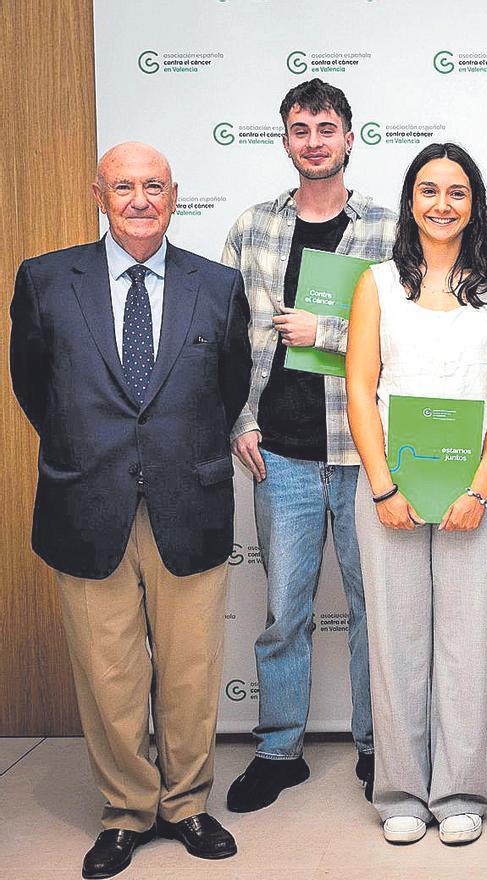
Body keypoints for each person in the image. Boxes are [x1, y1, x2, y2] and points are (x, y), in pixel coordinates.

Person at [9, 142, 251, 878]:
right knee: (108, 675)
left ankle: (187, 804)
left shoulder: (218, 284)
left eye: (154, 186)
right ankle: (125, 811)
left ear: (174, 196)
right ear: (99, 195)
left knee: (190, 673)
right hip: (87, 503)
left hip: (190, 502)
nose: (140, 200)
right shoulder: (46, 280)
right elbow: (33, 386)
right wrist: (92, 449)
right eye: (124, 187)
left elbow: (230, 387)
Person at [221, 78, 397, 812]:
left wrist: (324, 332)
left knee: (371, 610)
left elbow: (411, 333)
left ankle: (377, 748)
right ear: (286, 139)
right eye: (302, 129)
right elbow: (227, 339)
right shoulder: (252, 228)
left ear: (350, 137)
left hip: (365, 453)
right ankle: (278, 750)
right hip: (283, 453)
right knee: (284, 613)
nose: (315, 141)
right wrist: (239, 420)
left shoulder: (388, 229)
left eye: (327, 128)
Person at [346, 142, 487, 846]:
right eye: (428, 190)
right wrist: (382, 486)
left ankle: (458, 791)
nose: (442, 204)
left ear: (474, 204)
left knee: (467, 644)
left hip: (474, 493)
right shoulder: (376, 285)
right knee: (395, 643)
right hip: (388, 491)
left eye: (457, 192)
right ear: (410, 201)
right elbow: (360, 389)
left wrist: (479, 490)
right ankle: (399, 791)